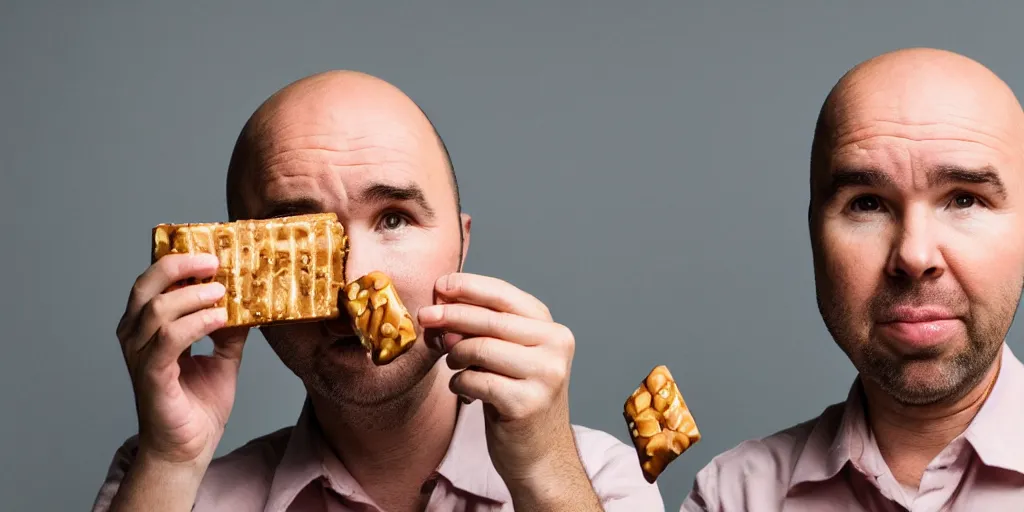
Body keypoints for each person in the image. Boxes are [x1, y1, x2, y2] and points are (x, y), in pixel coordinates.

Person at [92, 70, 663, 512]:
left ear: (460, 245)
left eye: (393, 219)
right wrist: (171, 462)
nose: (351, 283)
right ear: (241, 272)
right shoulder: (170, 488)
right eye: (301, 237)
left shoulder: (598, 479)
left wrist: (543, 473)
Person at [682, 48, 1024, 511]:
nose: (915, 255)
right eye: (867, 203)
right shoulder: (736, 496)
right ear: (813, 234)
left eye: (964, 200)